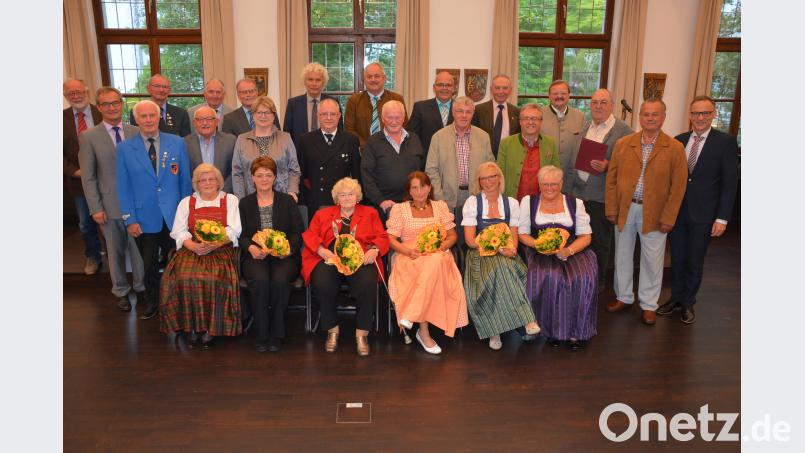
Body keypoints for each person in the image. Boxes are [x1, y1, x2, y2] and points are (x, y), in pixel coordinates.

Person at [604, 99, 688, 326]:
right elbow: (611, 180)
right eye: (646, 114)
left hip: (655, 212)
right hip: (625, 208)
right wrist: (611, 208)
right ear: (639, 117)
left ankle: (649, 305)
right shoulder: (624, 143)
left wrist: (669, 217)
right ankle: (623, 296)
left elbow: (678, 188)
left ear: (663, 117)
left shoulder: (675, 148)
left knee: (652, 259)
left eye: (655, 114)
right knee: (622, 254)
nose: (650, 118)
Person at [657, 95, 739, 324]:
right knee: (678, 258)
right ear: (689, 115)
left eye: (705, 113)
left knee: (695, 260)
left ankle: (688, 303)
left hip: (705, 214)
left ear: (713, 114)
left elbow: (729, 183)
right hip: (677, 212)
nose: (700, 118)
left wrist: (722, 218)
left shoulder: (726, 142)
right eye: (696, 113)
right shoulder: (678, 141)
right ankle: (675, 297)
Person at [117, 100, 192, 320]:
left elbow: (185, 182)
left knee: (176, 264)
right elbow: (123, 187)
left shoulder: (177, 143)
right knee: (148, 265)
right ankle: (153, 302)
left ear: (159, 117)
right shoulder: (124, 148)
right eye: (143, 116)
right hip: (143, 218)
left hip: (174, 218)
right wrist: (129, 219)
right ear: (136, 119)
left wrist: (186, 216)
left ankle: (177, 303)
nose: (149, 120)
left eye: (152, 115)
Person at [301, 177, 389, 356]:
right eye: (343, 195)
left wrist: (374, 250)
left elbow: (382, 236)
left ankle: (362, 334)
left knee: (367, 283)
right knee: (323, 283)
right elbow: (310, 235)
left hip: (359, 258)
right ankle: (332, 330)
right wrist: (322, 251)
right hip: (331, 256)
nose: (347, 198)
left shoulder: (370, 213)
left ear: (358, 197)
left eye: (351, 194)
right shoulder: (322, 214)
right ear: (336, 198)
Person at [160, 164, 242, 349]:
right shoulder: (186, 202)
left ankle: (211, 328)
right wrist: (194, 246)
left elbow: (234, 230)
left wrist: (213, 244)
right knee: (184, 277)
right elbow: (179, 231)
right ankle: (191, 326)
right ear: (196, 183)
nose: (207, 183)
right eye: (202, 180)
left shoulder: (230, 200)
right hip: (192, 248)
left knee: (212, 278)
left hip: (220, 249)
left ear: (218, 181)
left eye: (211, 179)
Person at [78, 86, 145, 311]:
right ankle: (121, 291)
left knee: (139, 250)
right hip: (109, 205)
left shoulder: (136, 131)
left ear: (122, 103)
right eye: (106, 104)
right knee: (115, 251)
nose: (112, 107)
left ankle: (141, 286)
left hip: (137, 205)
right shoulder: (88, 137)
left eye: (116, 102)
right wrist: (95, 207)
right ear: (99, 108)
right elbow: (87, 177)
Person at [386, 171, 468, 355]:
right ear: (409, 191)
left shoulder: (440, 207)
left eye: (423, 186)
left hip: (437, 253)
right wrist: (408, 251)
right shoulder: (400, 209)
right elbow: (390, 239)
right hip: (409, 255)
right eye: (415, 187)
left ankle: (413, 317)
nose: (420, 191)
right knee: (431, 265)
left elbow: (453, 235)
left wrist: (442, 245)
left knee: (436, 260)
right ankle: (423, 332)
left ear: (429, 187)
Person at [461, 163, 539, 350]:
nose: (488, 182)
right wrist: (497, 249)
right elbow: (470, 240)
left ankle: (495, 331)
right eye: (484, 178)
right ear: (479, 182)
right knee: (499, 269)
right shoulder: (473, 203)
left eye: (492, 176)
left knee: (504, 268)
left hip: (505, 253)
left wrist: (510, 249)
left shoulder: (511, 203)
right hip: (479, 254)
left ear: (499, 178)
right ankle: (527, 319)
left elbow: (513, 240)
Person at [518, 166, 597, 350]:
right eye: (545, 184)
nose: (549, 188)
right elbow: (522, 234)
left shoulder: (575, 203)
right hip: (540, 251)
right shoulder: (528, 202)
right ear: (539, 184)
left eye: (554, 184)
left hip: (572, 249)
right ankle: (551, 331)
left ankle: (577, 332)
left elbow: (586, 236)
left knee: (581, 276)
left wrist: (568, 251)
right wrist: (539, 245)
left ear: (561, 184)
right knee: (550, 276)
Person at [565, 88, 633, 292]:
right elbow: (573, 162)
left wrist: (609, 165)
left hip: (602, 197)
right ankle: (581, 277)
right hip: (579, 195)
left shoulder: (624, 131)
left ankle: (598, 282)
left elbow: (632, 167)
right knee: (579, 238)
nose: (598, 106)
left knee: (600, 241)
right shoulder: (586, 127)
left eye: (603, 102)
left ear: (612, 105)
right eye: (594, 102)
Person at [239, 157, 304, 352]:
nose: (264, 179)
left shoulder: (287, 201)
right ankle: (261, 333)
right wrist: (250, 248)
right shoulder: (244, 203)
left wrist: (287, 250)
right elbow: (240, 234)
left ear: (275, 177)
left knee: (280, 280)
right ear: (252, 178)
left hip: (284, 256)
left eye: (268, 175)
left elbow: (297, 232)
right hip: (255, 255)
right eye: (260, 175)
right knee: (259, 280)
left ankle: (277, 333)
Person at [425, 96, 494, 244]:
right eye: (459, 111)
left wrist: (484, 195)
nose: (464, 115)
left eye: (468, 112)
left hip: (475, 195)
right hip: (447, 197)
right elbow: (431, 170)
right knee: (448, 239)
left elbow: (490, 169)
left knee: (472, 239)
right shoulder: (438, 137)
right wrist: (439, 198)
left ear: (473, 113)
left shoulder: (483, 137)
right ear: (453, 113)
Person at [63, 78, 104, 275]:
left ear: (87, 92)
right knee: (85, 223)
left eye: (79, 92)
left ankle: (113, 254)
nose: (76, 96)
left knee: (109, 220)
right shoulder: (59, 120)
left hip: (105, 179)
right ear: (66, 96)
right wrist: (74, 171)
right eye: (71, 93)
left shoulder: (102, 112)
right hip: (78, 181)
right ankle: (93, 256)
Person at [360, 100, 424, 222]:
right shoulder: (372, 142)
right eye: (390, 117)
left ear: (404, 118)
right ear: (382, 119)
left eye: (398, 117)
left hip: (412, 204)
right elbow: (367, 176)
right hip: (383, 206)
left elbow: (422, 171)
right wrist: (380, 200)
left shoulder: (414, 139)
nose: (394, 122)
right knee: (385, 240)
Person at [298, 98, 361, 218]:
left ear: (339, 116)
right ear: (318, 116)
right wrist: (302, 201)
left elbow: (356, 174)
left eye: (333, 114)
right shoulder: (306, 140)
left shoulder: (351, 140)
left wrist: (358, 199)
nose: (328, 118)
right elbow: (301, 174)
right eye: (324, 114)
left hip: (343, 200)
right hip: (316, 201)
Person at [231, 96, 300, 201]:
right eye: (259, 112)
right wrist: (240, 199)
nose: (263, 116)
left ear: (273, 116)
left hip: (282, 197)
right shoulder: (242, 140)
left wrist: (292, 191)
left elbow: (294, 169)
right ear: (253, 115)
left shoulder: (285, 138)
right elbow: (237, 173)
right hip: (250, 198)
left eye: (267, 112)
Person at [497, 103, 560, 201]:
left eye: (535, 118)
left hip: (542, 202)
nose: (530, 122)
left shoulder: (550, 143)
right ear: (520, 122)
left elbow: (557, 175)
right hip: (513, 202)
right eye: (526, 118)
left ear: (541, 122)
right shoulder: (506, 143)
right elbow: (499, 175)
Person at [344, 62, 407, 147]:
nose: (373, 79)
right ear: (364, 79)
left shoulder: (397, 98)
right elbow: (349, 129)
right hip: (362, 152)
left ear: (384, 78)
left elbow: (404, 125)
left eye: (377, 76)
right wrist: (367, 147)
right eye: (369, 76)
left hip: (391, 150)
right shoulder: (354, 100)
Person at [283, 62, 343, 148]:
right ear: (304, 81)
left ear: (323, 82)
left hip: (328, 151)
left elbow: (340, 131)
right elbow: (287, 134)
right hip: (300, 153)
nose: (314, 84)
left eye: (318, 80)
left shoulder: (333, 102)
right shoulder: (293, 104)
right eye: (310, 79)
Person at [185, 106, 237, 193]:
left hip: (224, 194)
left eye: (209, 119)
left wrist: (222, 190)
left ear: (217, 122)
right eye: (200, 119)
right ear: (194, 123)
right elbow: (185, 173)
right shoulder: (185, 143)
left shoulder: (231, 141)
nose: (205, 123)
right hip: (196, 195)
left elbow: (235, 170)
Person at [540, 80, 586, 173]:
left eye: (563, 93)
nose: (559, 96)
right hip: (544, 172)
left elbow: (584, 146)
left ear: (569, 95)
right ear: (549, 96)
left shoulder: (580, 116)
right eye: (555, 93)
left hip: (571, 173)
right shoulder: (539, 115)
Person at [407, 71, 455, 158]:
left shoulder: (462, 110)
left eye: (448, 85)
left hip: (454, 162)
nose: (444, 88)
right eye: (440, 85)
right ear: (434, 88)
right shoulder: (420, 108)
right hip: (427, 161)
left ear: (453, 88)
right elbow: (412, 137)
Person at [471, 74, 520, 157]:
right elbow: (473, 135)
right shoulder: (478, 110)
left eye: (505, 88)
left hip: (508, 158)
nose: (501, 92)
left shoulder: (517, 112)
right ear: (491, 89)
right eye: (497, 88)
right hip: (484, 157)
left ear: (510, 90)